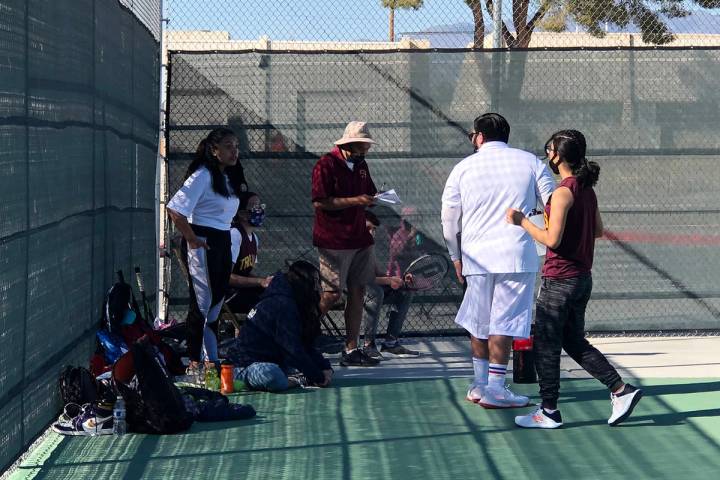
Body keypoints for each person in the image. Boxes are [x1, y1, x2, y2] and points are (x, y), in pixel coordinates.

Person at [507, 130, 642, 428]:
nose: (547, 155)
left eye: (549, 149)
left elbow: (552, 240)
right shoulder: (584, 189)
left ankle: (549, 411)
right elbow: (596, 230)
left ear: (558, 155)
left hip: (560, 280)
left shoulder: (563, 192)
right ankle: (621, 390)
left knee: (545, 344)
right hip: (581, 279)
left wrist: (522, 222)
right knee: (572, 341)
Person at [441, 113, 555, 409]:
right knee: (503, 322)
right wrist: (544, 237)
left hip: (476, 258)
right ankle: (493, 387)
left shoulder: (463, 168)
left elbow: (449, 218)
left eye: (472, 136)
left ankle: (482, 386)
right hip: (516, 255)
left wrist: (455, 256)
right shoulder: (531, 162)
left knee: (479, 322)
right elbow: (552, 204)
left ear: (479, 136)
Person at [167, 128, 247, 369]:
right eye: (228, 146)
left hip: (222, 239)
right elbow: (175, 210)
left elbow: (221, 209)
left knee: (217, 301)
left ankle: (212, 359)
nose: (234, 151)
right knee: (203, 302)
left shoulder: (226, 177)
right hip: (202, 240)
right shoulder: (202, 175)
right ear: (214, 150)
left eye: (236, 146)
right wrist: (191, 239)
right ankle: (195, 360)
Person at [311, 121, 380, 367]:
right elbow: (320, 201)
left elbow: (368, 192)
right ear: (347, 145)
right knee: (331, 294)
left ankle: (351, 348)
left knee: (358, 290)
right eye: (361, 148)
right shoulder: (325, 165)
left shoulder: (362, 166)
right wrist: (355, 200)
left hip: (359, 236)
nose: (364, 153)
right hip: (334, 240)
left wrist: (371, 200)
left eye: (366, 148)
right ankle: (300, 333)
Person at [226, 261, 333, 391]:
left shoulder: (290, 301)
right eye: (314, 284)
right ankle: (297, 380)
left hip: (271, 359)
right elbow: (292, 350)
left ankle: (293, 377)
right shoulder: (283, 305)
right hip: (244, 365)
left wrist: (324, 367)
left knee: (293, 366)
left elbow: (304, 344)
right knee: (272, 375)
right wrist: (317, 377)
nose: (316, 290)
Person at [362, 211, 420, 358]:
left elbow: (377, 273)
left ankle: (391, 343)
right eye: (368, 228)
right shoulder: (353, 246)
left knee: (405, 291)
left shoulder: (368, 246)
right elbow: (363, 278)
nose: (372, 233)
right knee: (376, 292)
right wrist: (389, 280)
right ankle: (368, 345)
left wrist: (397, 279)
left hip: (371, 284)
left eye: (374, 229)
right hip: (352, 289)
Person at [225, 191, 273, 316]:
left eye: (260, 206)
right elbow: (226, 277)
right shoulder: (235, 235)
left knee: (276, 294)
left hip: (242, 291)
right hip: (228, 295)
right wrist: (259, 281)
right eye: (255, 207)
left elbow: (245, 273)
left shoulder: (254, 238)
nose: (260, 210)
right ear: (242, 214)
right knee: (268, 304)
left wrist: (265, 281)